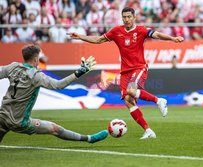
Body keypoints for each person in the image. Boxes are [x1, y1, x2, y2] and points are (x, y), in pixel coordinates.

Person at [67, 7, 184, 139]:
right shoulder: (117, 31)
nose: (126, 19)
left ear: (134, 17)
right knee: (129, 101)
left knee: (131, 91)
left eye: (129, 17)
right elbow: (99, 40)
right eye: (124, 17)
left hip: (139, 67)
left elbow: (157, 35)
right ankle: (148, 130)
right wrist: (80, 36)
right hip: (125, 72)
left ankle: (159, 101)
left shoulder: (141, 30)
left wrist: (172, 38)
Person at [0, 44, 108, 143]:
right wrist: (79, 72)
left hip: (2, 117)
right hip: (18, 122)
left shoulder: (12, 67)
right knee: (54, 128)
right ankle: (89, 138)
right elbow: (58, 85)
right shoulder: (36, 76)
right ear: (35, 59)